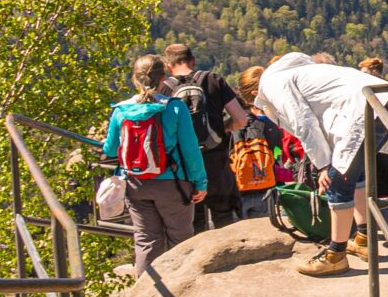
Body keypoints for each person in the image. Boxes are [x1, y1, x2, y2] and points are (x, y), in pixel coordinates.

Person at [253, 52, 388, 276]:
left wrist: (323, 166)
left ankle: (335, 256)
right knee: (355, 173)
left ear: (255, 94)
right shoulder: (299, 71)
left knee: (337, 181)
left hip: (368, 107)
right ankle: (363, 238)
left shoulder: (273, 84)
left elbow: (303, 122)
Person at [101, 54, 208, 276]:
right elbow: (190, 150)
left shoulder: (121, 110)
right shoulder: (174, 108)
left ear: (135, 79)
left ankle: (147, 293)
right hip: (174, 183)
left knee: (146, 239)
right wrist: (200, 182)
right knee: (180, 238)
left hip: (135, 183)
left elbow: (110, 150)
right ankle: (184, 287)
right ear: (163, 78)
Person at [163, 43, 249, 230]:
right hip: (217, 162)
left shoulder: (164, 89)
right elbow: (241, 119)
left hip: (183, 167)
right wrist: (224, 128)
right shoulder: (213, 80)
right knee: (224, 218)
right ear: (192, 60)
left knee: (194, 222)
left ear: (168, 66)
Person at [229, 65, 305, 221]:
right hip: (267, 188)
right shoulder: (273, 125)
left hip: (237, 190)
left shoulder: (231, 126)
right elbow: (278, 153)